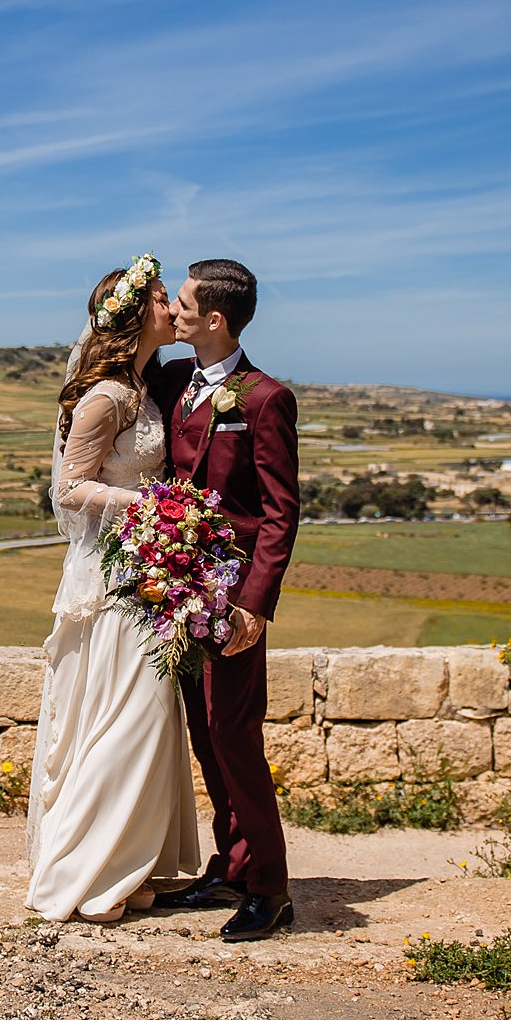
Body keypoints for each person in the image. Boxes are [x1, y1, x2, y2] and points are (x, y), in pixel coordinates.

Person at [25, 256, 200, 923]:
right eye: (162, 296)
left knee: (146, 719)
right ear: (134, 315)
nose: (171, 306)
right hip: (110, 574)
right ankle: (85, 872)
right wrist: (151, 507)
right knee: (128, 720)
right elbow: (70, 488)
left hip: (141, 571)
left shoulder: (143, 386)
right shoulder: (107, 395)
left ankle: (128, 862)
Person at [146, 258, 300, 941]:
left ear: (215, 319)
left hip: (234, 599)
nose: (172, 312)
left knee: (236, 735)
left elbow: (280, 513)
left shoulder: (265, 398)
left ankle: (272, 887)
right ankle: (232, 863)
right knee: (206, 735)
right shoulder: (175, 379)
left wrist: (256, 605)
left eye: (180, 303)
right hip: (177, 590)